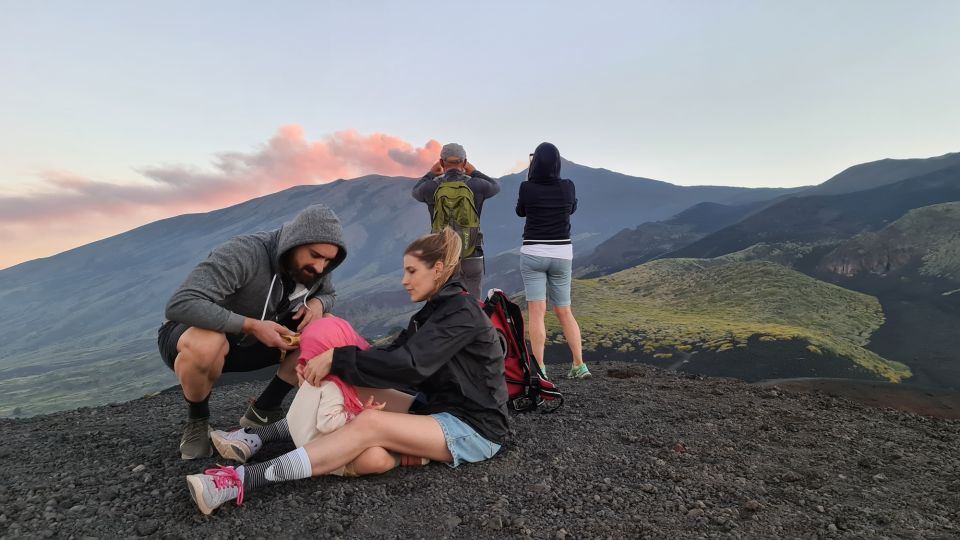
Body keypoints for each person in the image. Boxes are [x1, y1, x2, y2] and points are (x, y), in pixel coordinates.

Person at [185, 228, 509, 515]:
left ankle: (239, 481)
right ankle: (256, 437)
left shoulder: (461, 313)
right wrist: (333, 361)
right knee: (346, 385)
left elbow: (407, 366)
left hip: (473, 428)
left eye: (411, 270)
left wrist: (338, 357)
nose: (404, 279)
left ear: (438, 270)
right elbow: (391, 354)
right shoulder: (434, 312)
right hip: (435, 408)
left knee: (369, 422)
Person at [158, 205, 347, 459]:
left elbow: (328, 293)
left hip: (255, 342)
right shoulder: (245, 252)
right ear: (295, 241)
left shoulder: (313, 270)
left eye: (328, 260)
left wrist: (318, 304)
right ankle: (197, 422)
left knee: (326, 326)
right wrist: (251, 326)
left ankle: (264, 410)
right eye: (314, 255)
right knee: (209, 341)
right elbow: (180, 303)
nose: (320, 267)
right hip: (193, 338)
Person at [516, 142, 590, 380]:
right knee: (565, 312)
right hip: (561, 254)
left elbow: (521, 211)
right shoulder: (568, 187)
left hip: (533, 252)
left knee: (537, 313)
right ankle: (579, 365)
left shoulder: (527, 187)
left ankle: (540, 370)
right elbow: (572, 208)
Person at [412, 142, 500, 298]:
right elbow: (495, 186)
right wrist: (475, 172)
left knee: (444, 306)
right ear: (464, 163)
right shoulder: (476, 185)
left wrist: (431, 174)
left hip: (443, 255)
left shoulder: (431, 187)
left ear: (441, 162)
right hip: (472, 252)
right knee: (473, 307)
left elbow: (415, 192)